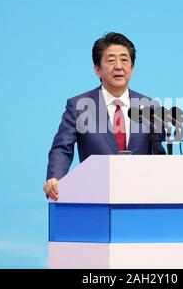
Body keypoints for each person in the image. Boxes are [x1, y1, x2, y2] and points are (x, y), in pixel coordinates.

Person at [43, 32, 165, 200]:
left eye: (124, 59)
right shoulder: (79, 106)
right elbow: (62, 148)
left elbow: (158, 156)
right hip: (95, 198)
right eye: (111, 60)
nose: (118, 66)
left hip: (140, 200)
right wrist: (55, 178)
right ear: (97, 69)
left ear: (132, 67)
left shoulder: (151, 107)